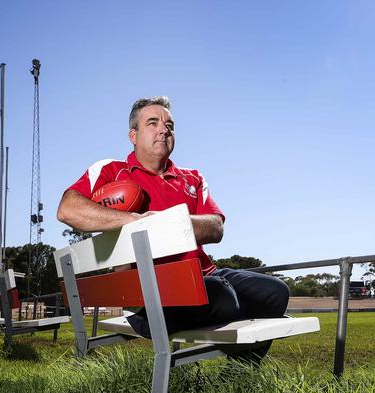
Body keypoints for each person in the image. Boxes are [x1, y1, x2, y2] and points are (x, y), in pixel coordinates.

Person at [57, 96, 289, 361]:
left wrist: (166, 222)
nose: (164, 129)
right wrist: (137, 221)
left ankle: (237, 377)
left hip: (207, 275)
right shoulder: (112, 171)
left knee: (275, 292)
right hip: (150, 291)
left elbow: (216, 227)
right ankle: (232, 342)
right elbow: (68, 209)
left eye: (170, 124)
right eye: (152, 122)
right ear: (133, 135)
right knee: (222, 294)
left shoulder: (193, 177)